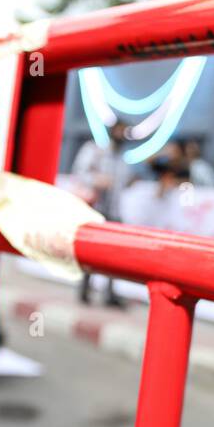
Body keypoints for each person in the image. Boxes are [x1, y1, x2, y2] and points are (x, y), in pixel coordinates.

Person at [70, 121, 132, 308]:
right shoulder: (96, 151)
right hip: (96, 208)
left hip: (114, 212)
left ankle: (109, 293)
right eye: (120, 130)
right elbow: (80, 173)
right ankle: (84, 289)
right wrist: (97, 181)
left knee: (115, 256)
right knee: (90, 253)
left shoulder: (122, 160)